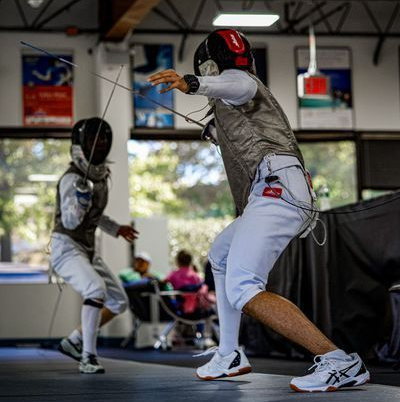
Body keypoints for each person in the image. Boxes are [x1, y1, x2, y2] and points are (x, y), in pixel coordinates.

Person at [148, 29, 370, 392]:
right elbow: (245, 123)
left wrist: (191, 83)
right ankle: (230, 353)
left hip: (277, 189)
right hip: (270, 191)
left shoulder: (242, 83)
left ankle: (338, 360)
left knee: (243, 286)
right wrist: (216, 130)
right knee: (220, 255)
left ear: (208, 67)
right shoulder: (233, 103)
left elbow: (239, 85)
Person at [50, 117, 138, 374]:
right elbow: (70, 220)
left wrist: (116, 229)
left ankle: (74, 341)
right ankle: (88, 357)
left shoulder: (100, 177)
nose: (100, 144)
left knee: (119, 301)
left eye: (103, 139)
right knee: (96, 289)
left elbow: (96, 217)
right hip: (65, 247)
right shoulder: (71, 179)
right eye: (93, 139)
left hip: (86, 249)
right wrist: (80, 199)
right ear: (81, 144)